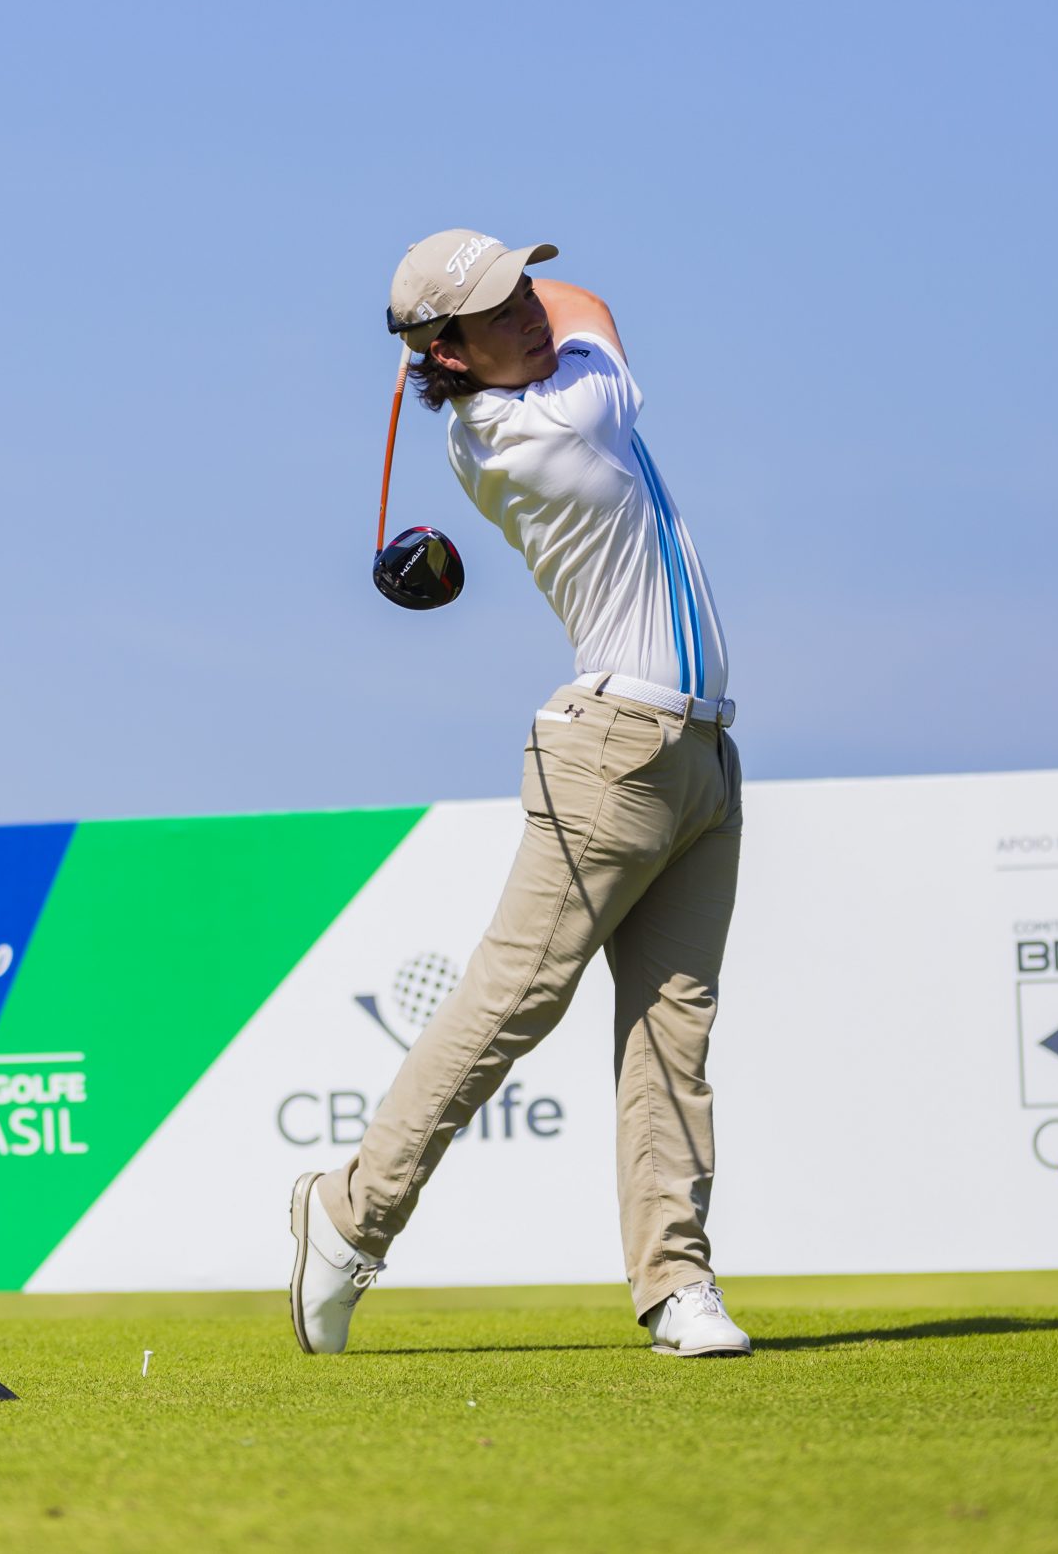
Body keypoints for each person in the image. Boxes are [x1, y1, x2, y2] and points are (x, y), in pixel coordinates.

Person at [288, 230, 751, 1359]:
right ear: (447, 351)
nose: (531, 314)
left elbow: (553, 302)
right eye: (499, 311)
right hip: (613, 752)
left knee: (672, 1033)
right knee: (512, 1004)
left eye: (520, 292)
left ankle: (675, 1285)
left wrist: (471, 301)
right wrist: (488, 302)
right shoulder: (554, 420)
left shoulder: (519, 384)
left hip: (699, 759)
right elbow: (587, 296)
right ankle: (347, 1215)